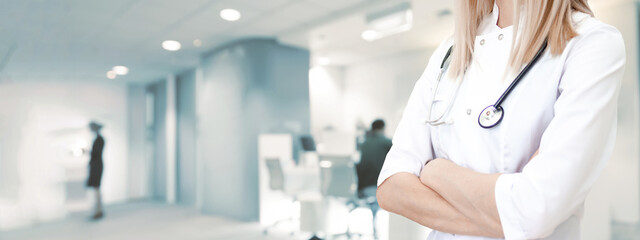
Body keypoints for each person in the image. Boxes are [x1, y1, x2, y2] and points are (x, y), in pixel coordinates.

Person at [376, 0, 625, 239]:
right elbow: (392, 187)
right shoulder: (450, 51)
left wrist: (437, 173)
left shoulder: (591, 43)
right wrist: (506, 221)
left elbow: (535, 209)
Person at [356, 119, 392, 195]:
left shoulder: (364, 143)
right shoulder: (387, 142)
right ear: (383, 128)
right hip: (379, 185)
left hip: (365, 186)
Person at [87, 121, 105, 220]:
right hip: (95, 165)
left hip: (97, 166)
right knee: (96, 188)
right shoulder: (98, 139)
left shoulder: (100, 139)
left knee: (97, 187)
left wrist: (88, 152)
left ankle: (99, 210)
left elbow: (96, 153)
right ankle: (98, 210)